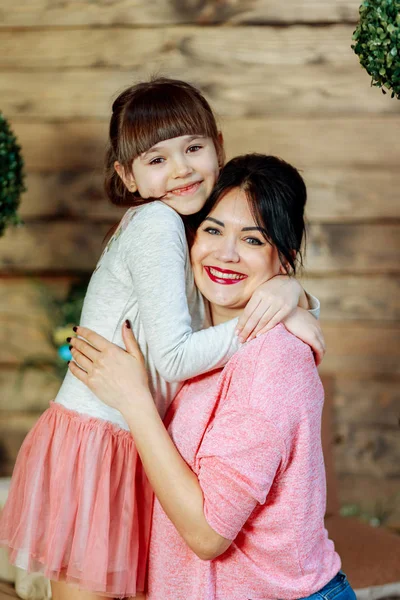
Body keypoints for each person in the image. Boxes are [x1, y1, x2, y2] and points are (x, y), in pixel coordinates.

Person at [0, 80, 322, 600]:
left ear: (218, 144)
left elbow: (251, 269)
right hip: (102, 439)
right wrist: (266, 328)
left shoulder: (192, 225)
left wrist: (295, 296)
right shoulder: (156, 224)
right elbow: (173, 358)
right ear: (126, 174)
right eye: (156, 159)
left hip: (128, 435)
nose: (181, 170)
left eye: (193, 148)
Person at [69, 153, 356, 600]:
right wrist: (296, 294)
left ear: (285, 258)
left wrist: (135, 401)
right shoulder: (190, 336)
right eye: (213, 229)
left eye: (254, 240)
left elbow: (207, 535)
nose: (225, 254)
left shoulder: (273, 363)